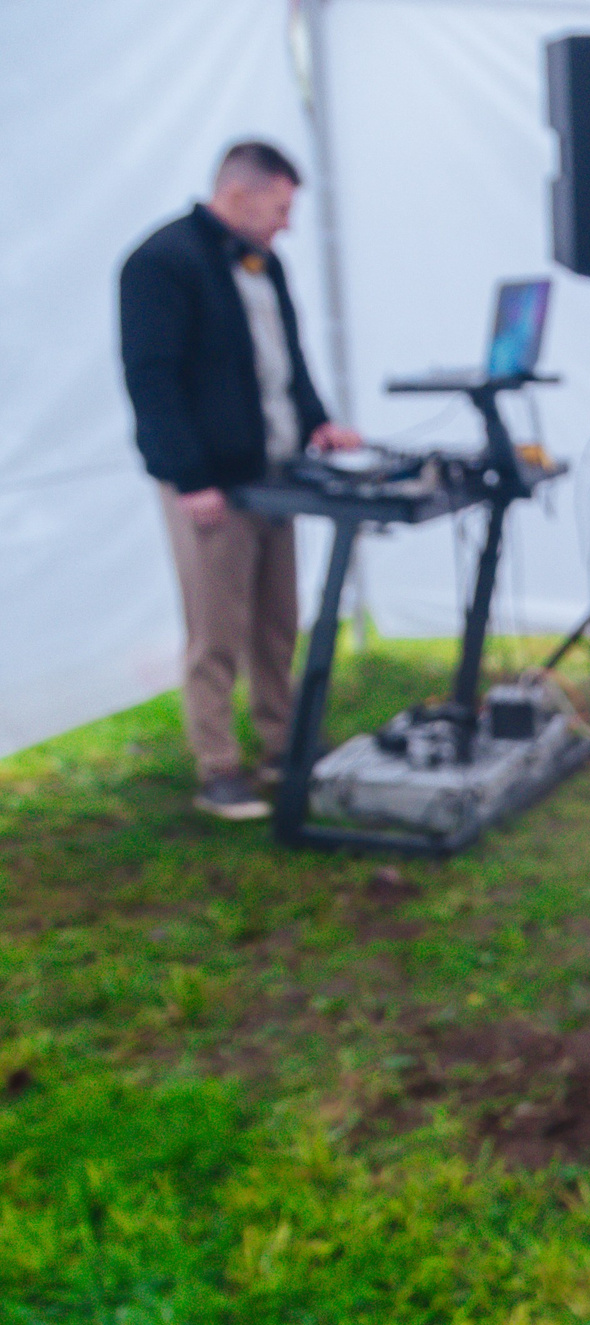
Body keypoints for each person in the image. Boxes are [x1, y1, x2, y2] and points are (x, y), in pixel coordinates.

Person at [118, 139, 362, 821]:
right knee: (216, 630)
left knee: (276, 621)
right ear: (239, 194)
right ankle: (218, 766)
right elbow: (151, 378)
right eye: (280, 207)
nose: (286, 222)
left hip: (273, 477)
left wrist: (318, 421)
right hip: (210, 487)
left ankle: (284, 744)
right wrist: (190, 477)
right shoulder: (161, 262)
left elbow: (286, 360)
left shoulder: (267, 265)